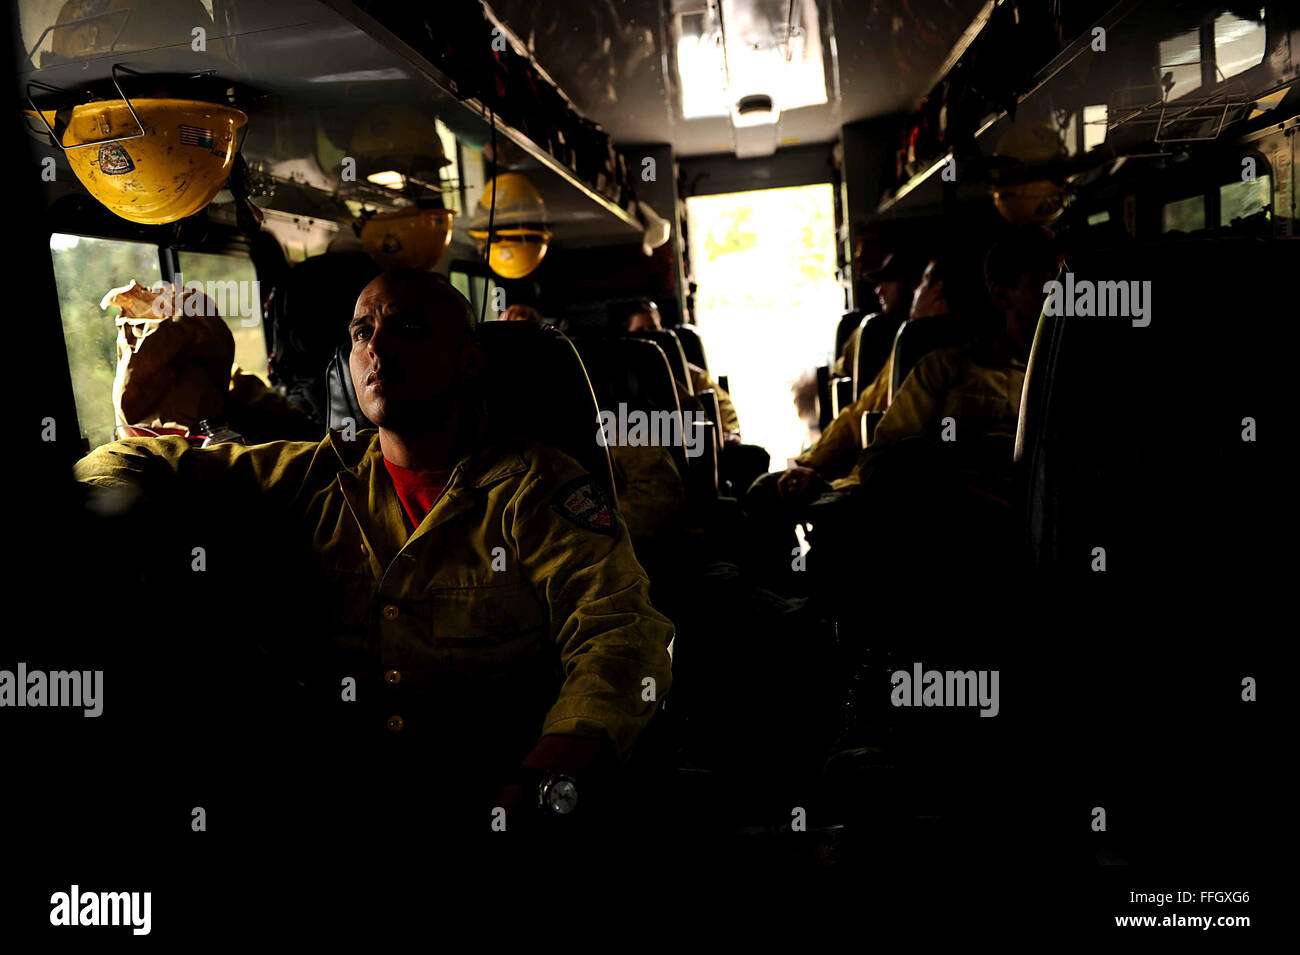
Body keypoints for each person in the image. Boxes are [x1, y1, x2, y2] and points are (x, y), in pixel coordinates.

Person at [74, 269, 675, 840]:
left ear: (467, 361)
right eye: (363, 332)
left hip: (495, 787)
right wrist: (106, 513)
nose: (378, 348)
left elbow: (618, 632)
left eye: (408, 328)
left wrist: (556, 766)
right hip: (335, 792)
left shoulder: (539, 487)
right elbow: (127, 462)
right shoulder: (311, 471)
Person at [741, 249, 981, 587]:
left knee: (765, 493)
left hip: (894, 489)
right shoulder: (1002, 356)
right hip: (910, 486)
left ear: (937, 289)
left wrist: (815, 468)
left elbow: (873, 437)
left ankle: (792, 595)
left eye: (922, 283)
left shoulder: (925, 355)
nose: (914, 292)